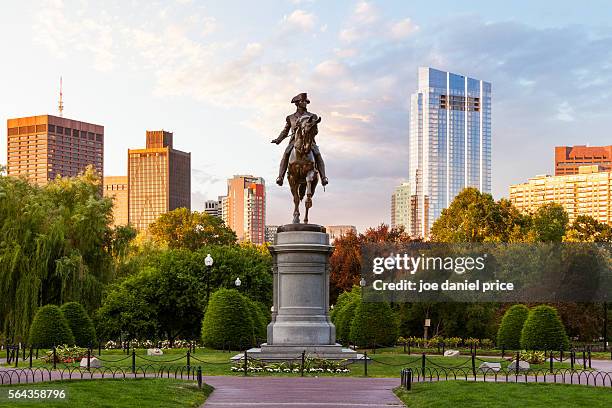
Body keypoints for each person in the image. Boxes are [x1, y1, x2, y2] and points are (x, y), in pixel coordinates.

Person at [271, 93, 328, 186]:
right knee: (286, 154)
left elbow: (316, 131)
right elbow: (285, 131)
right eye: (302, 101)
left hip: (309, 141)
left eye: (306, 101)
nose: (305, 103)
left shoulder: (313, 116)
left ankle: (323, 177)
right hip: (294, 141)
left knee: (317, 154)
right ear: (297, 103)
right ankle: (280, 177)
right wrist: (278, 139)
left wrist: (310, 131)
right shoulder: (290, 117)